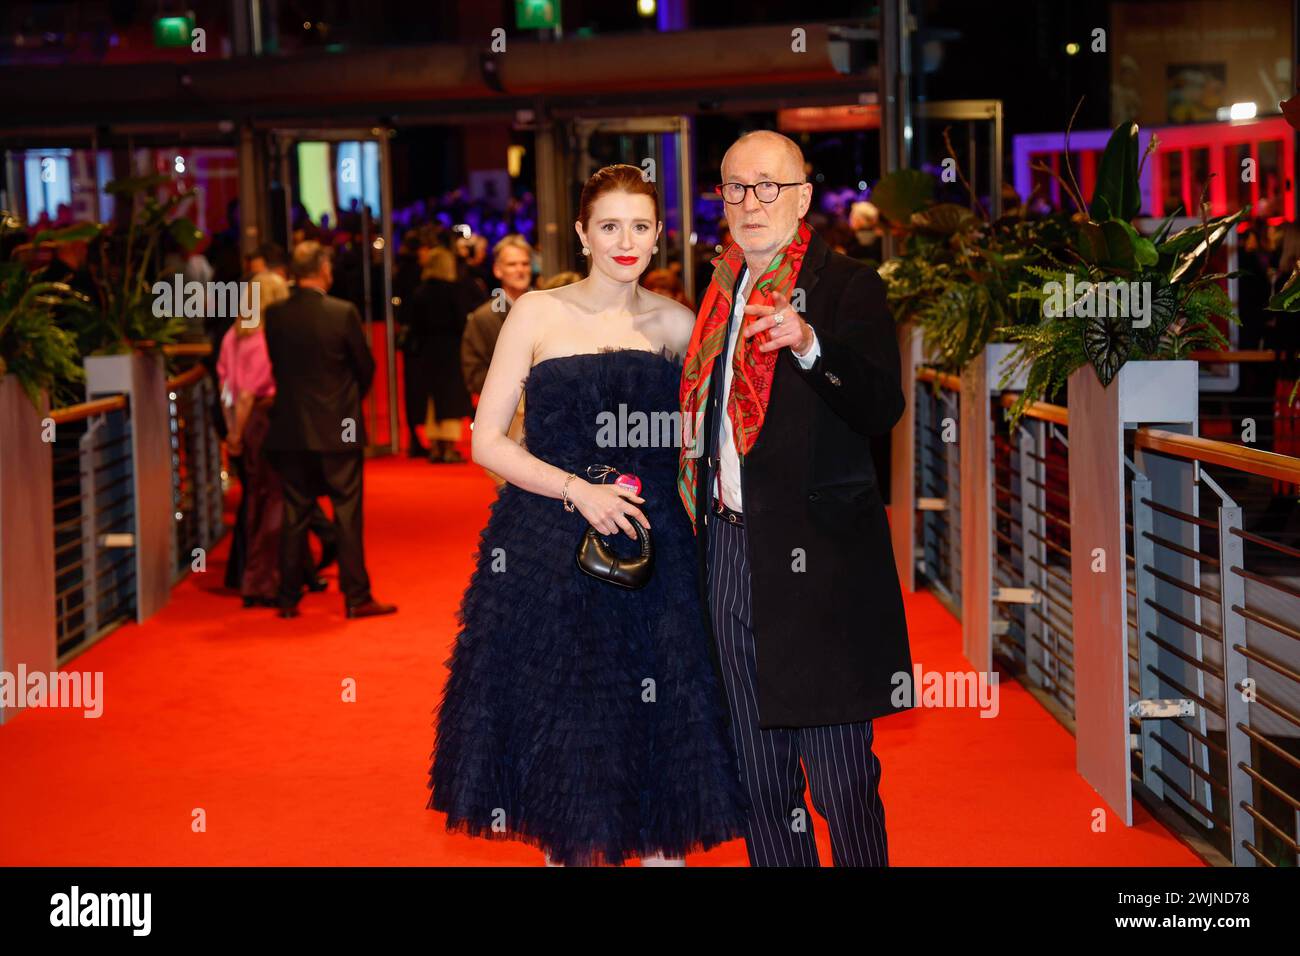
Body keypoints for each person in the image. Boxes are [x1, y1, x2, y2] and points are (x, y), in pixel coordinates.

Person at [429, 164, 747, 866]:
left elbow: (711, 438)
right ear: (581, 233)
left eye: (640, 226)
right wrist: (579, 491)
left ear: (660, 234)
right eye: (609, 226)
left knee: (664, 747)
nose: (625, 241)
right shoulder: (538, 313)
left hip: (658, 557)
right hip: (548, 552)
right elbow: (485, 441)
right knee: (568, 752)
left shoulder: (679, 324)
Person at [679, 130, 913, 866]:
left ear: (803, 196)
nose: (750, 202)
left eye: (767, 186)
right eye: (735, 187)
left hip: (818, 562)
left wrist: (810, 344)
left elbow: (881, 407)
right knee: (758, 775)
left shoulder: (847, 284)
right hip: (726, 548)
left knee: (841, 780)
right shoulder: (715, 292)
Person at [263, 241, 396, 620]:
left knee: (295, 511)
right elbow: (365, 368)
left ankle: (287, 598)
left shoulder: (274, 315)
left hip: (289, 427)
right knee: (347, 513)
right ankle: (356, 598)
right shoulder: (342, 313)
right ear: (323, 269)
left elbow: (278, 368)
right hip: (340, 427)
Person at [217, 271, 319, 607]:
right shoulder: (265, 338)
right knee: (275, 499)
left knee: (259, 499)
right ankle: (264, 581)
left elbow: (227, 391)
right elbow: (247, 394)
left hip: (246, 424)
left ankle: (292, 571)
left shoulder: (233, 335)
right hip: (265, 420)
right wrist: (237, 429)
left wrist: (233, 431)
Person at [461, 235, 536, 483]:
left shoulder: (548, 309)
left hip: (549, 418)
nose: (520, 270)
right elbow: (473, 372)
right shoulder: (483, 318)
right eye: (513, 264)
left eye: (525, 264)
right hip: (507, 423)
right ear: (498, 269)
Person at [403, 246, 475, 463]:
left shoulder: (420, 291)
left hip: (427, 352)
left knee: (432, 401)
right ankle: (449, 447)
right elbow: (462, 321)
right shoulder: (453, 291)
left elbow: (413, 323)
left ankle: (434, 445)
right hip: (451, 351)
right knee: (451, 398)